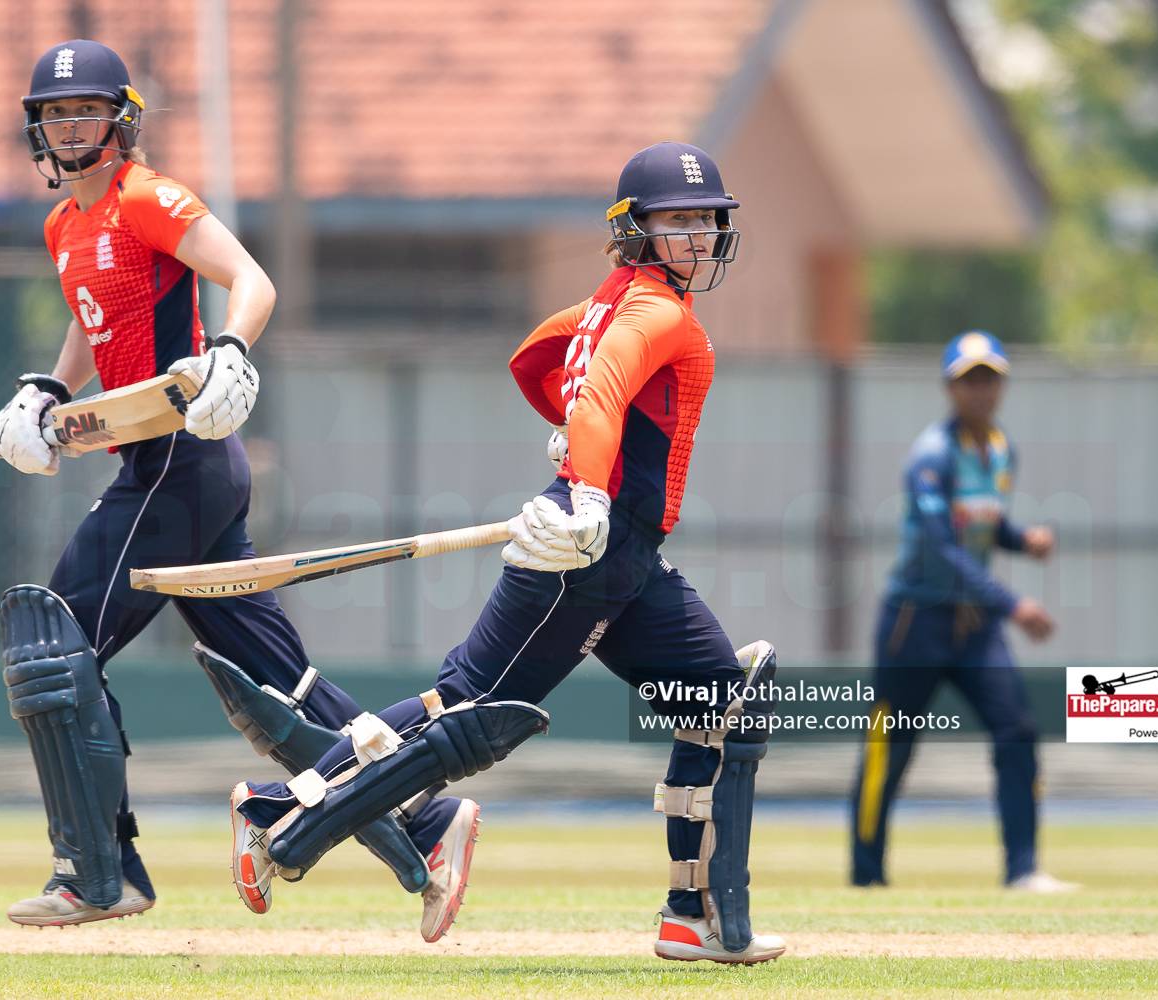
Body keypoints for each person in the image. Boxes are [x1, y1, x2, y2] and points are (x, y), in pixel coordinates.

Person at [226, 141, 788, 964]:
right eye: (680, 220)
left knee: (722, 701)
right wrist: (586, 484)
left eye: (709, 220)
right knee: (469, 715)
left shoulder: (616, 301)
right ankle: (280, 818)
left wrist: (573, 449)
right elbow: (595, 388)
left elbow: (540, 362)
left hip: (617, 548)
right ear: (635, 229)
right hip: (587, 542)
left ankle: (694, 917)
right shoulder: (655, 313)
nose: (700, 235)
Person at [0, 39, 477, 937]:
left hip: (181, 459)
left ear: (120, 121)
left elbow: (251, 279)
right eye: (56, 115)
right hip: (161, 466)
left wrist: (232, 348)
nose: (69, 128)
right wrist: (52, 389)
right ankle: (425, 814)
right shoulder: (66, 226)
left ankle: (98, 872)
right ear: (38, 129)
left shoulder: (146, 197)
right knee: (272, 684)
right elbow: (95, 319)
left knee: (50, 644)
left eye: (86, 112)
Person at [848, 331, 1075, 893]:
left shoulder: (1000, 449)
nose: (981, 390)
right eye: (970, 379)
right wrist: (1014, 603)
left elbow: (985, 526)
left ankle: (1023, 870)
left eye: (990, 379)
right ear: (951, 387)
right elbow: (942, 548)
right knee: (891, 744)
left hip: (974, 626)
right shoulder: (932, 455)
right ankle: (867, 877)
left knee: (1017, 729)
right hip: (915, 623)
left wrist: (1023, 542)